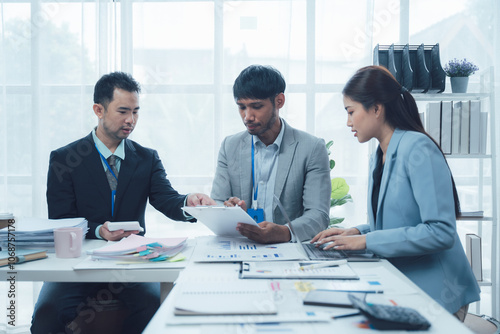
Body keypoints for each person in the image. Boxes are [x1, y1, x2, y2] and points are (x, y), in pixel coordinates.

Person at [31, 72, 215, 334]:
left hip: (132, 262)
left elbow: (166, 198)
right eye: (123, 111)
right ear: (99, 110)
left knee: (152, 306)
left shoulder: (147, 158)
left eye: (136, 111)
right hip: (80, 260)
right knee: (46, 315)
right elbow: (62, 218)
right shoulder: (64, 159)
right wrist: (98, 230)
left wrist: (190, 202)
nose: (131, 120)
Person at [311, 65, 480, 320]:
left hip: (438, 293)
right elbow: (395, 223)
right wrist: (356, 232)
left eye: (351, 111)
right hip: (405, 286)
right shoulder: (379, 155)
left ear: (376, 109)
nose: (348, 122)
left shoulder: (418, 148)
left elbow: (441, 231)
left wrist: (366, 241)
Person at [211, 65, 331, 243]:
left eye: (256, 106)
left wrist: (284, 232)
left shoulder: (311, 148)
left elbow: (318, 215)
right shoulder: (230, 146)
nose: (247, 116)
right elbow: (217, 203)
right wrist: (230, 212)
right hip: (241, 247)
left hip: (288, 250)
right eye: (242, 107)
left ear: (279, 101)